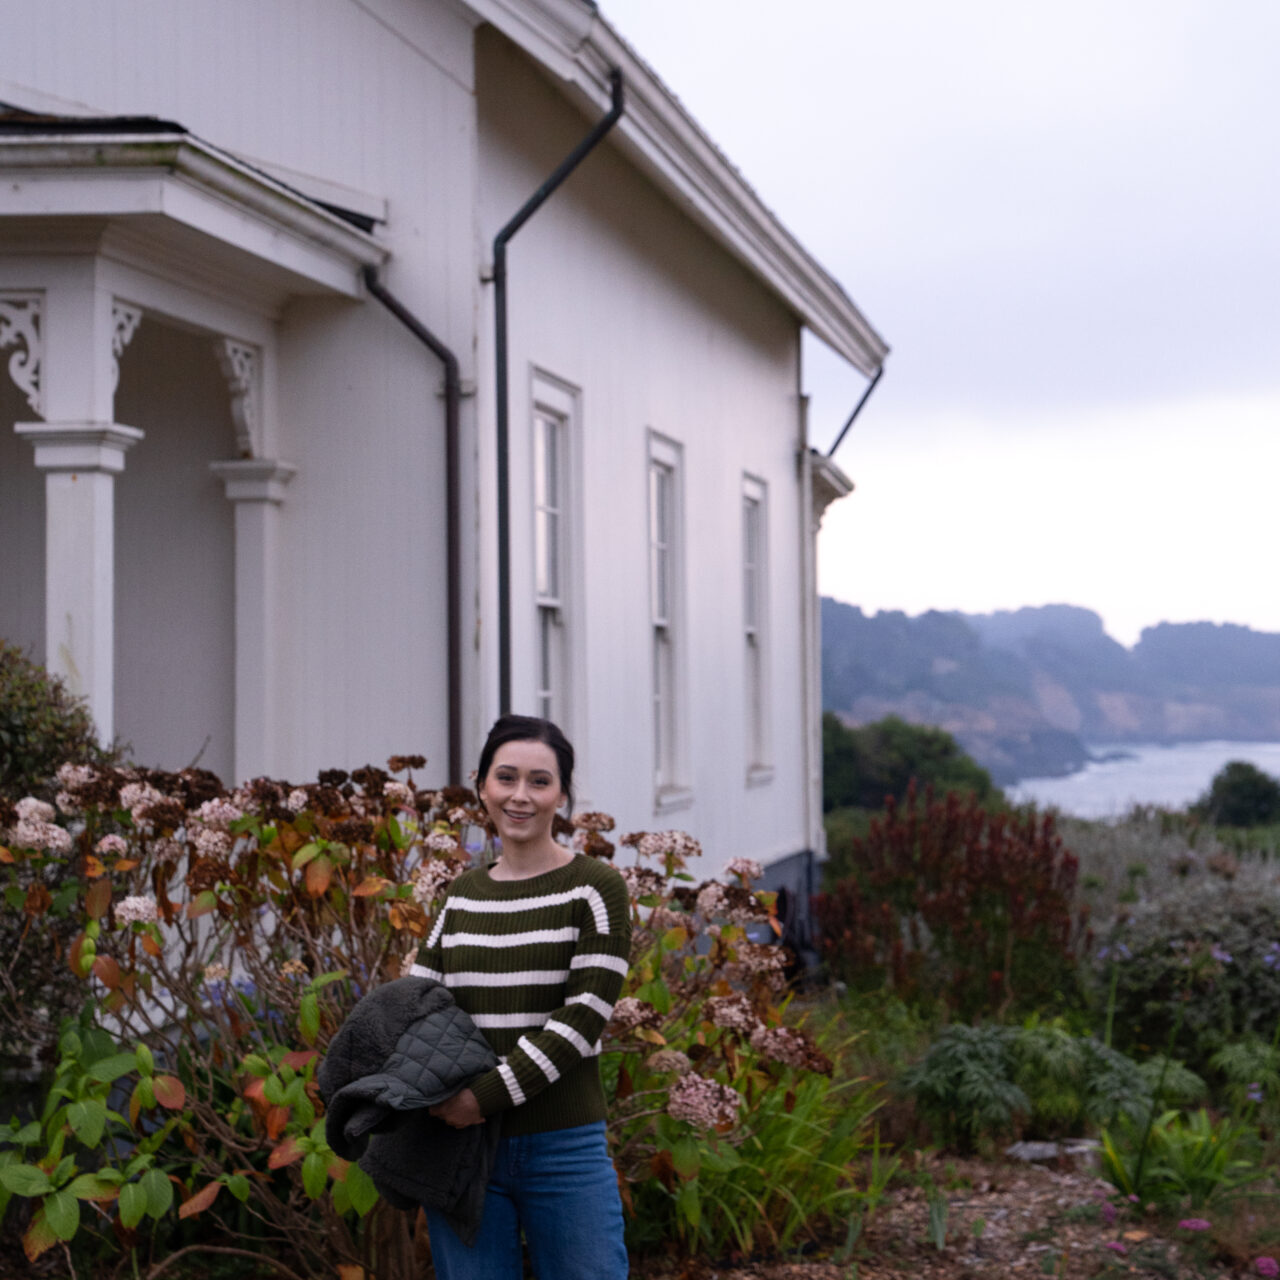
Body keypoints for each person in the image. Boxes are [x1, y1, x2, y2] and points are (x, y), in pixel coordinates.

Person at [410, 714, 632, 1279]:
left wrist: (481, 1098)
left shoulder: (595, 889)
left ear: (562, 795)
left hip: (564, 1150)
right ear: (482, 786)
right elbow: (418, 1004)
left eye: (540, 781)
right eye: (506, 777)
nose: (520, 796)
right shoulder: (460, 896)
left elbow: (582, 1019)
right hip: (463, 1149)